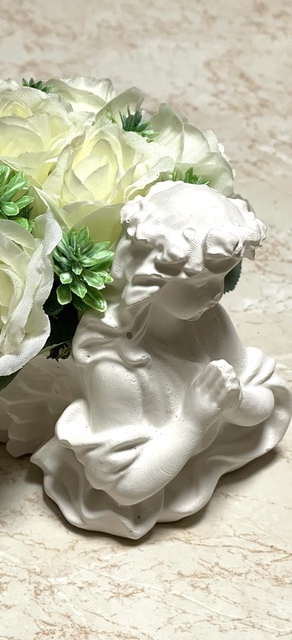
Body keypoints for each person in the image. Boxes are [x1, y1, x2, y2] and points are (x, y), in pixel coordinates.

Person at [32, 181, 292, 539]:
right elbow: (126, 486)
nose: (217, 293)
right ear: (151, 278)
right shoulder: (116, 361)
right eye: (201, 282)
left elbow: (265, 405)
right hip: (150, 476)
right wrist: (193, 421)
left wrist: (236, 400)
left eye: (223, 277)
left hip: (200, 457)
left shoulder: (207, 320)